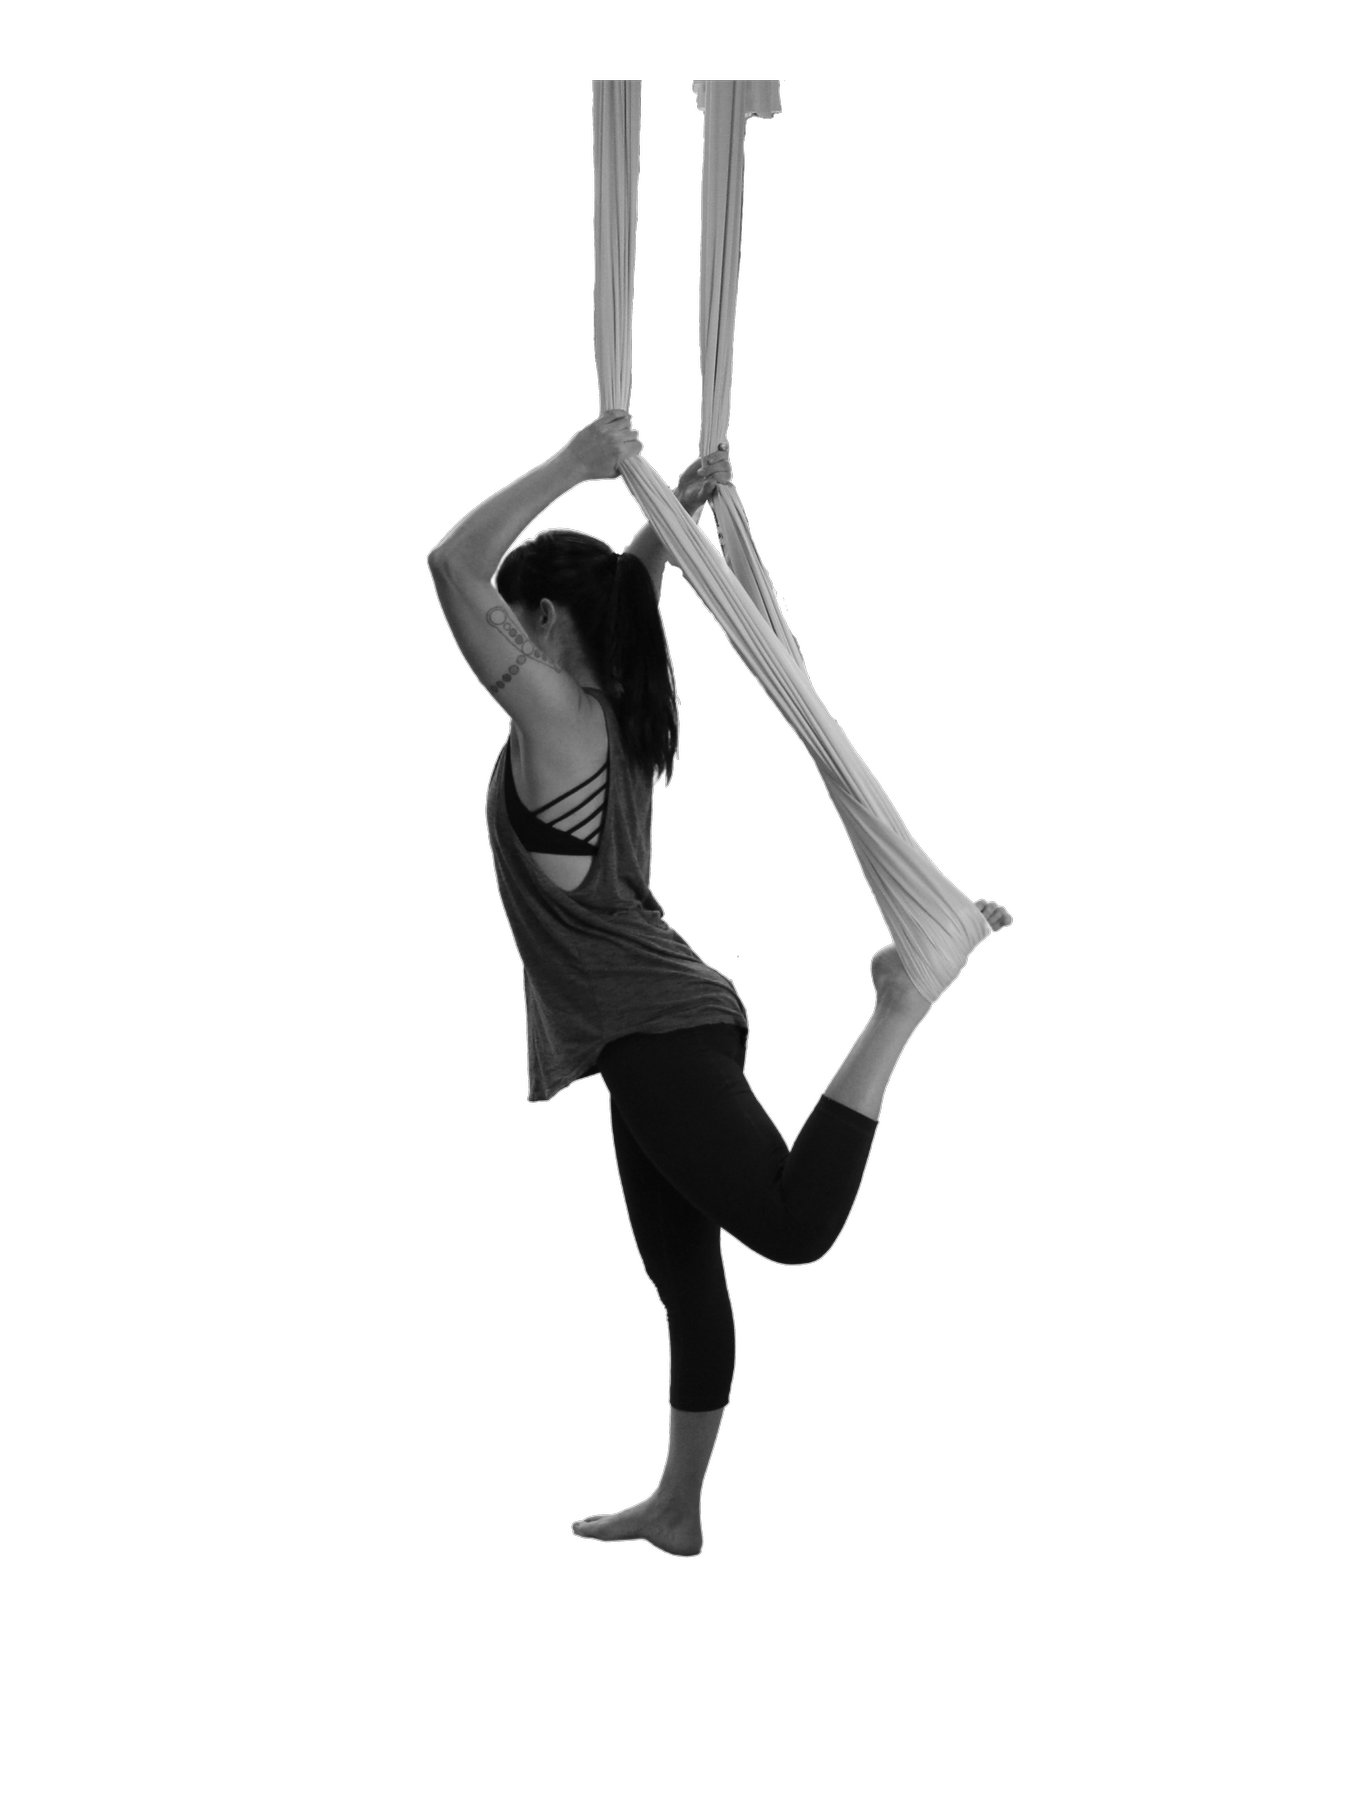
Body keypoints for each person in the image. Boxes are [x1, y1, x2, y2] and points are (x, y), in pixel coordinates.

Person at [425, 410, 1011, 1557]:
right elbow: (619, 597)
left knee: (790, 1227)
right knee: (684, 1277)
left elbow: (451, 565)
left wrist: (576, 466)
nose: (504, 633)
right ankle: (680, 1507)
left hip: (655, 1025)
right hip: (655, 1022)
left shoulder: (560, 720)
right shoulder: (620, 702)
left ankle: (896, 1003)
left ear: (538, 622)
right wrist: (667, 514)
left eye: (517, 619)